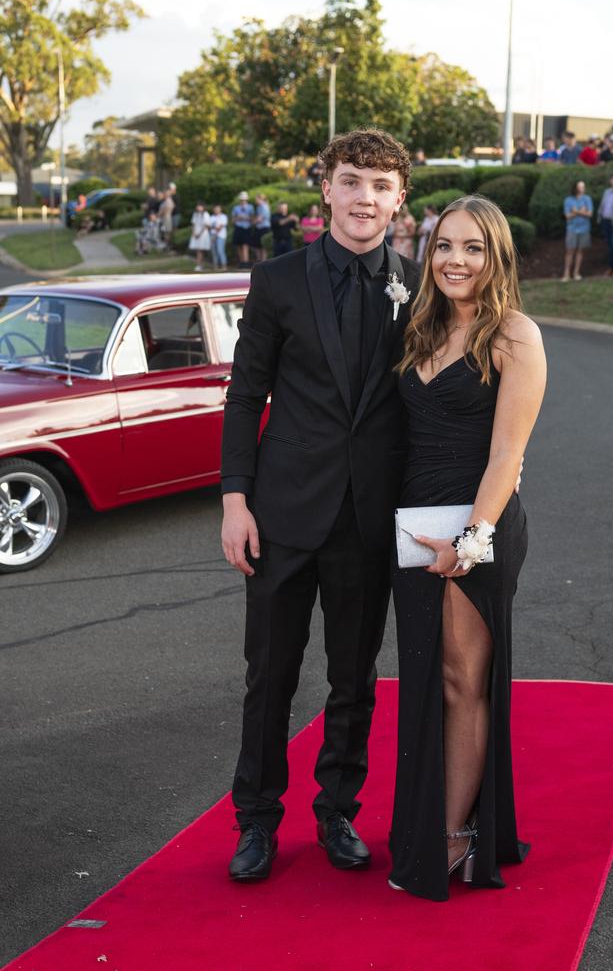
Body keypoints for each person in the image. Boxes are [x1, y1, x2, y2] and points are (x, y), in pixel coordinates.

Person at [220, 127, 420, 883]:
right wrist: (236, 501)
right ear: (326, 189)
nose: (364, 198)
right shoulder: (275, 280)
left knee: (354, 680)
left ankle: (337, 811)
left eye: (379, 186)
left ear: (399, 199)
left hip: (370, 519)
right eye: (350, 181)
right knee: (268, 676)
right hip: (280, 515)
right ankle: (256, 822)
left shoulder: (420, 281)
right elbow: (245, 397)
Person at [389, 195, 546, 900]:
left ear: (497, 257)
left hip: (475, 533)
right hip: (414, 532)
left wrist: (471, 544)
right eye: (445, 245)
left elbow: (508, 454)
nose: (456, 259)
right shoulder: (418, 329)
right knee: (428, 681)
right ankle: (433, 822)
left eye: (474, 248)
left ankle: (457, 835)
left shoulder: (515, 334)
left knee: (462, 683)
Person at [562, 179, 593, 281]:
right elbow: (567, 216)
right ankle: (566, 274)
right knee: (569, 251)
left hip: (584, 228)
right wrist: (581, 211)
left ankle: (576, 273)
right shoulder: (568, 200)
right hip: (572, 229)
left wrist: (575, 211)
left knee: (580, 251)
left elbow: (589, 214)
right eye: (580, 186)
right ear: (575, 188)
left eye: (583, 187)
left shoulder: (587, 199)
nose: (582, 189)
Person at [231, 192, 255, 266]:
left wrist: (246, 217)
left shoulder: (250, 207)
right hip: (239, 227)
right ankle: (242, 261)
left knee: (245, 244)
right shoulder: (236, 208)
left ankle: (246, 261)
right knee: (239, 245)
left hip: (246, 228)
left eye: (244, 199)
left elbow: (253, 218)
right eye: (242, 199)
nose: (243, 201)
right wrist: (238, 217)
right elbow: (233, 220)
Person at [188, 202, 212, 271]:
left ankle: (200, 264)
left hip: (203, 234)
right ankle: (200, 264)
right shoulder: (195, 214)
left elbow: (206, 225)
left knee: (200, 250)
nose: (198, 208)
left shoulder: (205, 214)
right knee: (198, 250)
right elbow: (193, 224)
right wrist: (194, 233)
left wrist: (199, 234)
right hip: (196, 233)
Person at [252, 194, 271, 262]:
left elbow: (260, 219)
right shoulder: (259, 207)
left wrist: (252, 222)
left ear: (260, 199)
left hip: (264, 228)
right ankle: (259, 262)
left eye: (256, 199)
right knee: (258, 246)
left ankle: (263, 262)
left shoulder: (264, 207)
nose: (255, 201)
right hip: (259, 228)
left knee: (263, 246)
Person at [210, 204, 228, 270]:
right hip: (212, 235)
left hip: (221, 236)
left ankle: (224, 265)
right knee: (214, 252)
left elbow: (221, 226)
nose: (216, 210)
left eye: (218, 209)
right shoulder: (211, 217)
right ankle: (215, 265)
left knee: (220, 251)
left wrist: (215, 230)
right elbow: (209, 226)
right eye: (215, 209)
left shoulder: (223, 217)